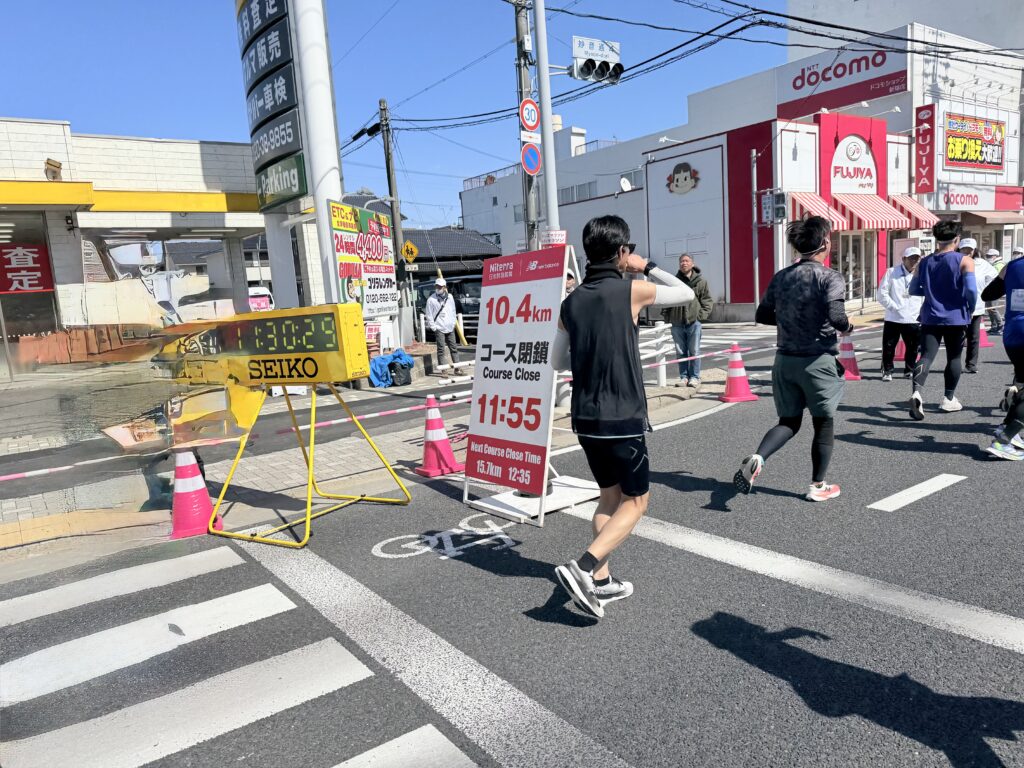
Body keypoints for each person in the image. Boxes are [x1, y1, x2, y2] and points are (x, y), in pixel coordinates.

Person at [551, 215, 695, 619]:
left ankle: (602, 581)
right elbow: (684, 293)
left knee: (609, 497)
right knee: (637, 502)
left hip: (585, 417)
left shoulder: (571, 301)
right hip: (623, 415)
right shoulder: (631, 290)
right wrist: (645, 266)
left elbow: (556, 360)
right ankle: (582, 568)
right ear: (621, 252)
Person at [733, 216, 850, 503]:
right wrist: (848, 326)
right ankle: (818, 485)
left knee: (789, 421)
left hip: (784, 361)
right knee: (823, 424)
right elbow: (837, 317)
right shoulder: (829, 277)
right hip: (818, 360)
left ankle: (759, 457)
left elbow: (762, 315)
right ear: (825, 243)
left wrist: (790, 321)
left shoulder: (781, 276)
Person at [908, 221, 977, 419]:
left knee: (926, 356)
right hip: (956, 317)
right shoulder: (965, 260)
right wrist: (970, 308)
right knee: (954, 357)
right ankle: (948, 399)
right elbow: (971, 290)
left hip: (930, 316)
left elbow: (913, 290)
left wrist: (931, 292)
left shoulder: (925, 261)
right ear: (957, 239)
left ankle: (916, 392)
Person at [981, 255, 1024, 459]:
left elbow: (988, 294)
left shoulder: (1011, 265)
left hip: (1013, 334)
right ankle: (1003, 440)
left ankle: (1007, 428)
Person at [661, 253, 714, 388]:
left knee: (694, 351)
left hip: (693, 322)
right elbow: (667, 300)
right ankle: (683, 377)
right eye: (681, 261)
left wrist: (700, 316)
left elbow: (707, 301)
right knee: (680, 352)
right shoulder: (674, 281)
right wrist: (667, 317)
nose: (683, 263)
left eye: (686, 261)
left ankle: (695, 377)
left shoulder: (701, 282)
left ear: (692, 264)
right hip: (677, 322)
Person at [878, 246, 924, 381]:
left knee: (913, 347)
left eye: (917, 258)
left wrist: (923, 312)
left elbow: (926, 295)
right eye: (911, 258)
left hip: (914, 317)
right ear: (904, 259)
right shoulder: (892, 272)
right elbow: (882, 294)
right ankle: (887, 371)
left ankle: (909, 370)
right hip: (894, 317)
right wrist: (894, 307)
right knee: (888, 346)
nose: (914, 261)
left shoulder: (921, 274)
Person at [964, 240, 999, 374]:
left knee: (973, 337)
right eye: (964, 249)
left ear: (974, 250)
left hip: (977, 306)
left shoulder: (982, 263)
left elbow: (994, 278)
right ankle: (952, 363)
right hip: (957, 307)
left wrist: (985, 289)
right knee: (956, 337)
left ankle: (971, 364)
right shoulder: (955, 262)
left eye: (970, 249)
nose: (967, 252)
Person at [425, 277, 460, 367]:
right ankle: (443, 369)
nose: (438, 288)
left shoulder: (450, 297)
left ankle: (457, 368)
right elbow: (429, 314)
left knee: (454, 348)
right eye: (436, 286)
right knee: (441, 349)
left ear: (444, 287)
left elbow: (453, 311)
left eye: (440, 287)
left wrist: (452, 323)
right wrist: (434, 327)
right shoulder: (431, 299)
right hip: (439, 327)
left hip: (449, 327)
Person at [985, 248, 1005, 335]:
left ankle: (1000, 326)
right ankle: (993, 326)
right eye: (987, 256)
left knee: (993, 309)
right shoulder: (993, 264)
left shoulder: (999, 265)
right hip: (989, 289)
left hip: (995, 290)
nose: (988, 257)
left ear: (995, 256)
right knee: (989, 309)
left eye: (989, 256)